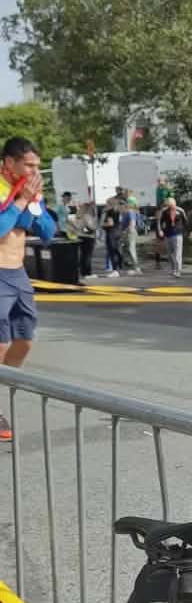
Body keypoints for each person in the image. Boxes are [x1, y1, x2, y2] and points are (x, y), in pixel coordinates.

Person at [0, 137, 56, 441]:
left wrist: (35, 205)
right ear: (9, 163)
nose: (36, 171)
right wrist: (20, 201)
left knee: (24, 340)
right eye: (29, 165)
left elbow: (48, 232)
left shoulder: (31, 191)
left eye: (37, 165)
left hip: (18, 274)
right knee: (0, 343)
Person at [157, 196, 187, 277]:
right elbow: (160, 222)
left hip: (177, 234)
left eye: (171, 205)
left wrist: (185, 231)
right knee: (169, 254)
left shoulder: (180, 210)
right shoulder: (165, 211)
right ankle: (173, 269)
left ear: (174, 204)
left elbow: (185, 221)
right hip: (168, 234)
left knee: (177, 254)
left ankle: (178, 271)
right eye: (169, 205)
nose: (170, 206)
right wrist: (160, 230)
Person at [73, 201, 98, 279]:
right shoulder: (87, 216)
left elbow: (76, 227)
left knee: (83, 255)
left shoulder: (78, 216)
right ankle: (88, 273)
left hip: (80, 236)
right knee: (87, 256)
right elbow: (91, 227)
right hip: (88, 237)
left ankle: (82, 272)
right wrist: (94, 226)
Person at [100, 197, 123, 277]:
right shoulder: (118, 211)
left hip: (111, 233)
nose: (106, 204)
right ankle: (118, 267)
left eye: (107, 203)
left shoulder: (110, 212)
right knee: (116, 251)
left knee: (112, 252)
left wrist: (102, 224)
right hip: (117, 232)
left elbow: (110, 223)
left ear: (110, 203)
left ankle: (115, 270)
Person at [119, 196, 143, 275]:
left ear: (130, 203)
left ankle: (136, 268)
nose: (125, 204)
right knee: (124, 248)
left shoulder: (130, 212)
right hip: (129, 232)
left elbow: (132, 223)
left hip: (130, 232)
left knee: (131, 249)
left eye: (127, 202)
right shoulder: (130, 211)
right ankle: (130, 265)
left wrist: (125, 231)